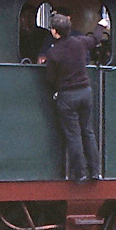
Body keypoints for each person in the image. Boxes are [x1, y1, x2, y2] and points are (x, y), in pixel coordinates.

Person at [45, 13, 106, 182]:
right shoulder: (79, 42)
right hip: (85, 92)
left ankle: (80, 173)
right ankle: (95, 171)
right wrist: (101, 25)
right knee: (88, 131)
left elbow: (50, 79)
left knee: (74, 135)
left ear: (55, 32)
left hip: (67, 96)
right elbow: (95, 40)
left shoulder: (53, 53)